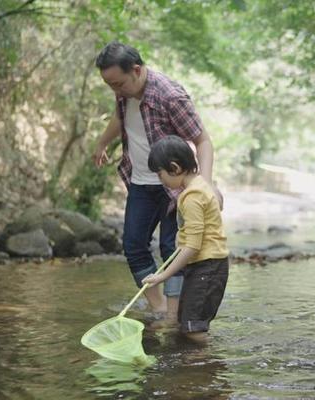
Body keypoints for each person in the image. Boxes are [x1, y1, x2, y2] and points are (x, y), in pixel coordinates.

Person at [92, 41, 221, 323]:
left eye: (118, 84)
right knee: (133, 245)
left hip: (174, 186)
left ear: (136, 70)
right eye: (110, 85)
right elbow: (120, 115)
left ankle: (173, 316)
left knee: (170, 248)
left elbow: (203, 140)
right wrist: (103, 141)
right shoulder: (123, 91)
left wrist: (206, 184)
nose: (115, 90)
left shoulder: (170, 96)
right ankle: (159, 307)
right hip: (139, 181)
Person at [142, 136, 229, 342]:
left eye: (160, 173)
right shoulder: (201, 185)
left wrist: (162, 276)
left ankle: (209, 360)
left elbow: (192, 246)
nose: (160, 179)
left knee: (192, 329)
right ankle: (196, 363)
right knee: (187, 324)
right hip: (205, 267)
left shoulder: (193, 196)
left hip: (207, 269)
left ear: (174, 168)